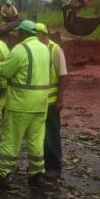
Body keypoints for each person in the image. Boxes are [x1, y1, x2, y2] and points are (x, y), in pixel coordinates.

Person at [0, 20, 50, 189]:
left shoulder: (20, 50)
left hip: (20, 104)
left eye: (17, 33)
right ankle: (37, 174)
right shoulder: (45, 49)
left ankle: (3, 175)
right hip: (41, 103)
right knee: (36, 140)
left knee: (11, 139)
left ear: (22, 33)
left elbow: (5, 72)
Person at [35, 23, 68, 181]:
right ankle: (40, 165)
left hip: (51, 101)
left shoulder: (55, 49)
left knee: (51, 135)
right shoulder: (34, 50)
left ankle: (54, 167)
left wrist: (60, 99)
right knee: (38, 135)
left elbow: (63, 76)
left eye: (36, 34)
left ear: (43, 34)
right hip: (36, 102)